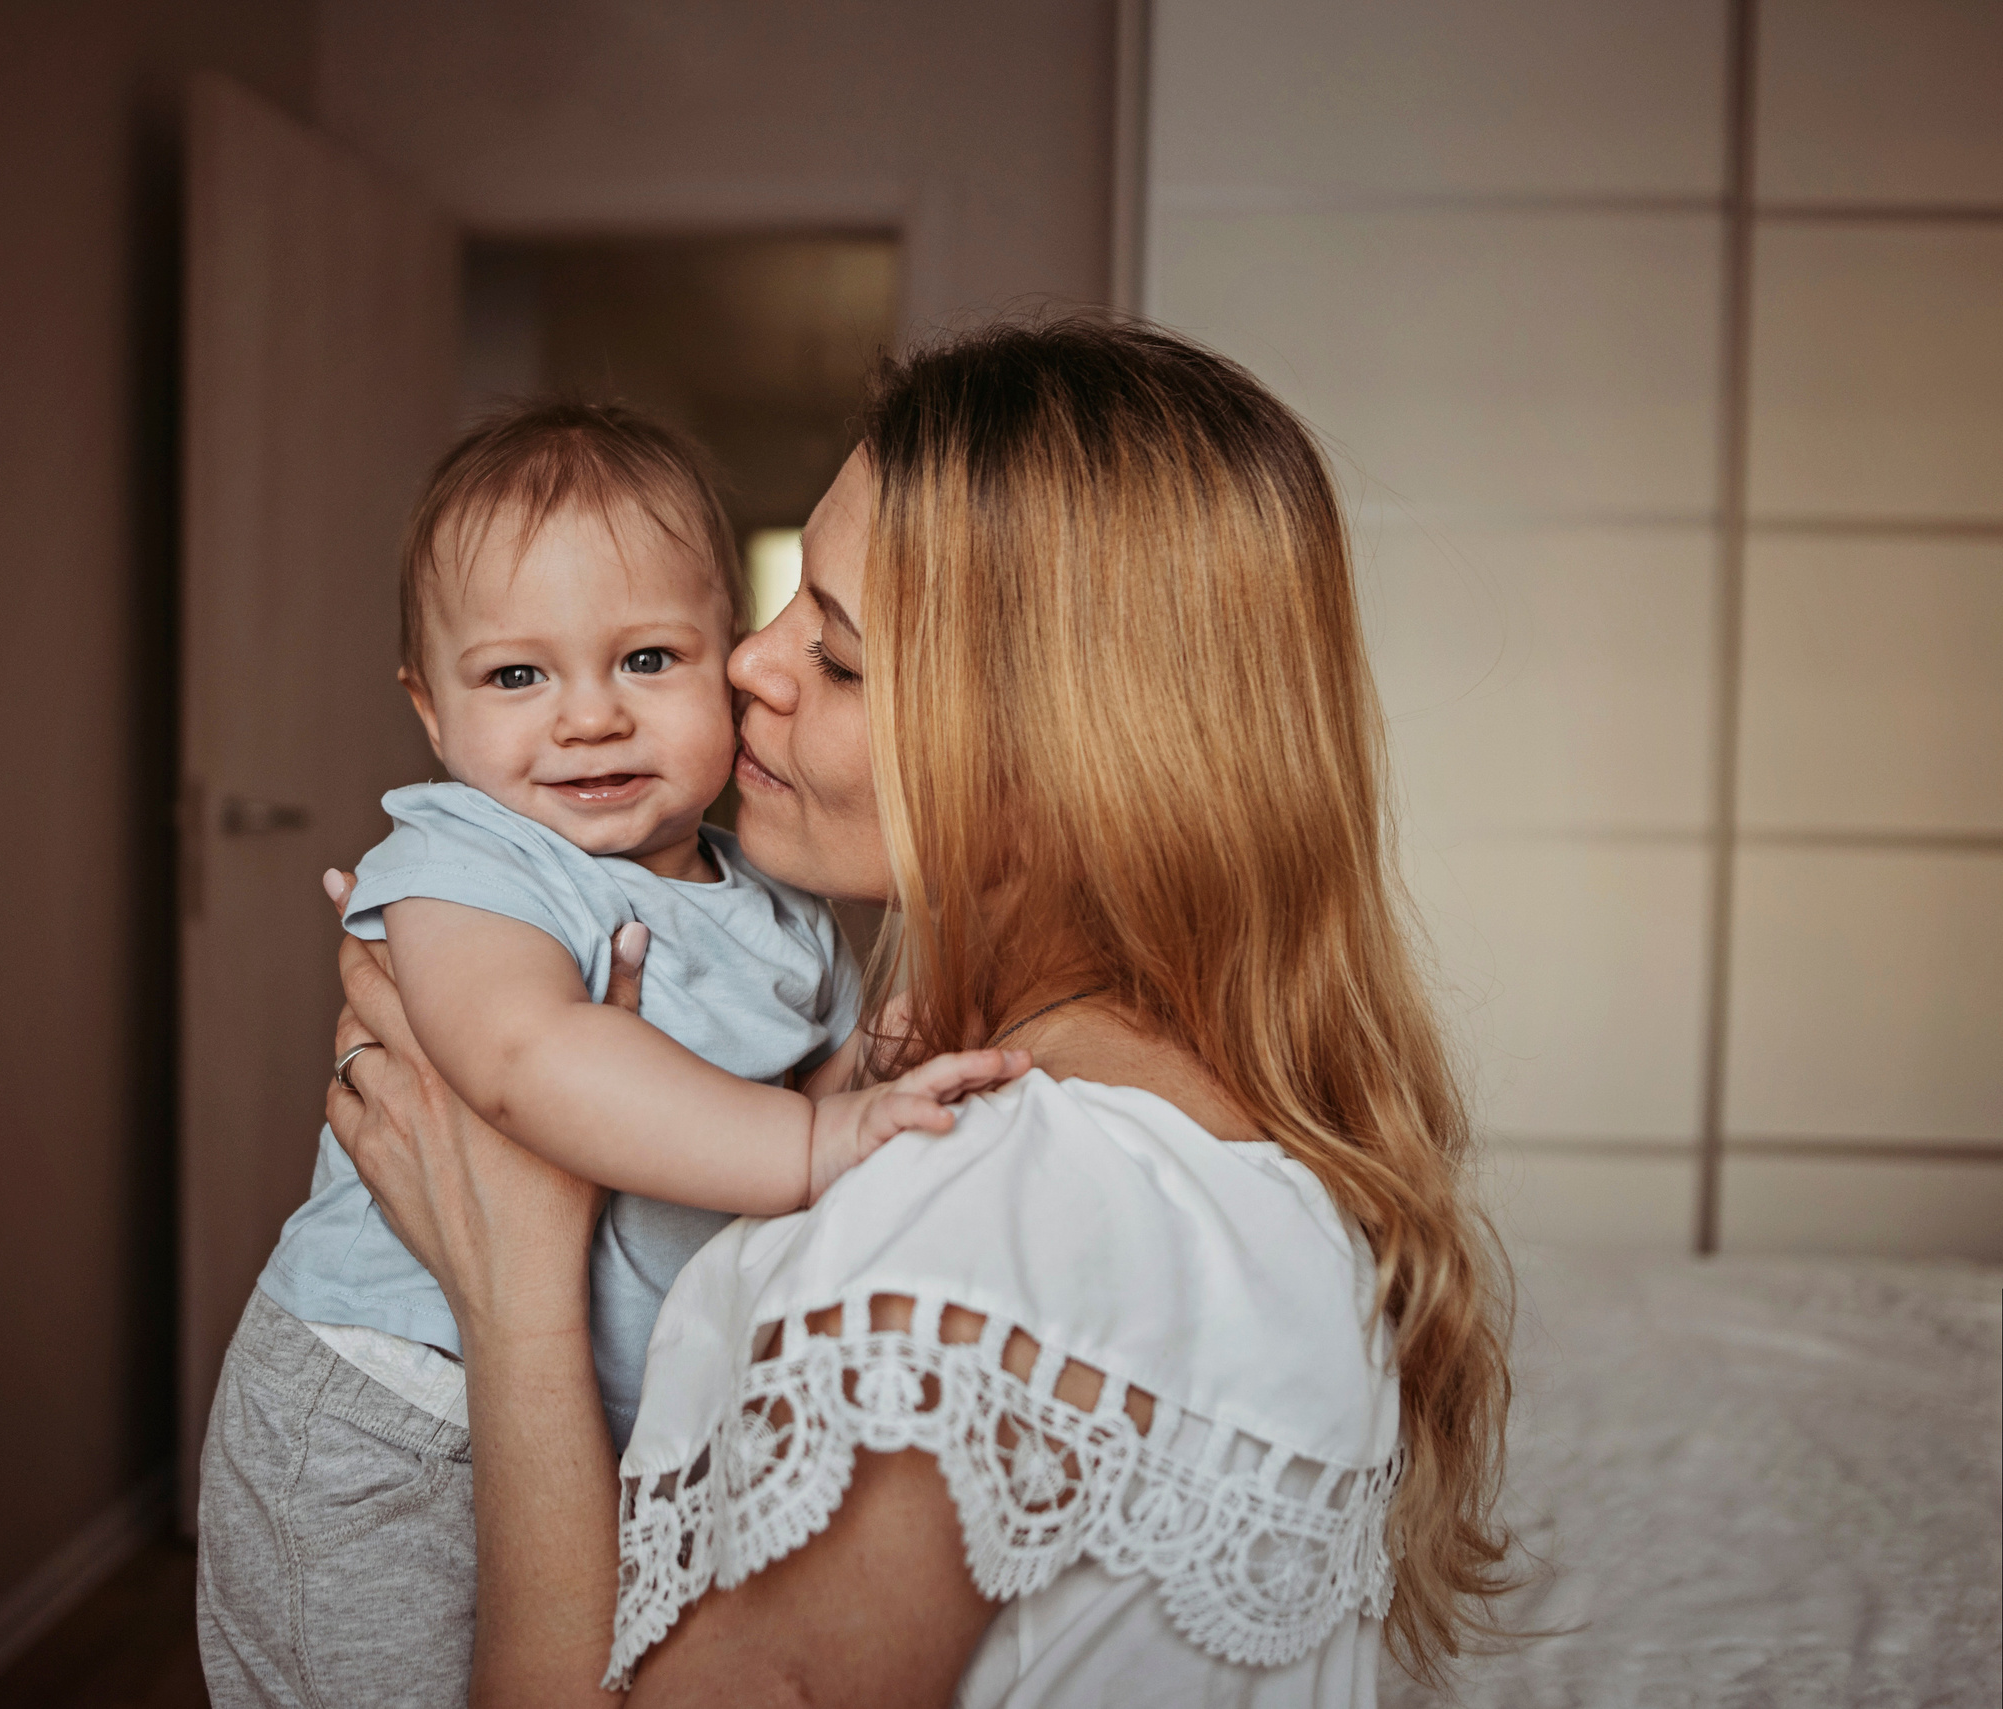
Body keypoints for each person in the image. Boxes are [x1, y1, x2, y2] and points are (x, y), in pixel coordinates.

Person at [324, 320, 1521, 1705]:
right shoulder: (1225, 1147)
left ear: (1056, 764)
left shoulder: (971, 1224)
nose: (748, 669)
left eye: (833, 656)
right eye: (781, 611)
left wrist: (518, 1290)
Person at [195, 402, 1019, 1709]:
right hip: (386, 1406)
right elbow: (523, 1056)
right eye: (518, 676)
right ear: (428, 707)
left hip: (578, 1414)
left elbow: (737, 1106)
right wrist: (813, 1141)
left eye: (644, 657)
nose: (587, 717)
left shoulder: (779, 906)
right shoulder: (468, 863)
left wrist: (852, 1076)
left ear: (723, 664)